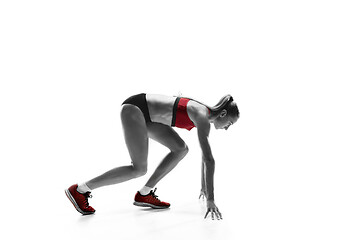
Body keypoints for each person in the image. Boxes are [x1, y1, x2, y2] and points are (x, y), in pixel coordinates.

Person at [65, 93, 239, 220]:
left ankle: (144, 194)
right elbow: (209, 159)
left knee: (180, 149)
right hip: (136, 109)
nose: (227, 128)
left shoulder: (204, 115)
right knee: (138, 168)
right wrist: (211, 199)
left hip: (148, 116)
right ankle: (80, 189)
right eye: (230, 123)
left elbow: (205, 156)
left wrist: (204, 187)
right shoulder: (202, 116)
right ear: (223, 114)